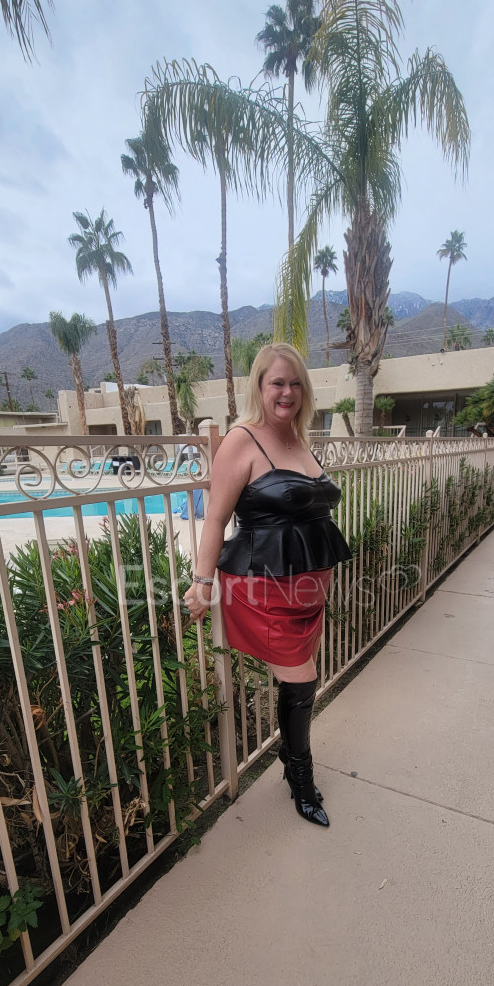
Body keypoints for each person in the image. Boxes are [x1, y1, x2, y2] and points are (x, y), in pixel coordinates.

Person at [184, 342, 351, 827]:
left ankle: (290, 758)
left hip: (309, 589)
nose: (287, 392)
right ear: (259, 386)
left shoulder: (299, 438)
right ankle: (300, 778)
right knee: (303, 681)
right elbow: (216, 519)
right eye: (277, 382)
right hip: (265, 588)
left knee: (298, 680)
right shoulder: (243, 440)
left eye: (296, 383)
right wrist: (202, 581)